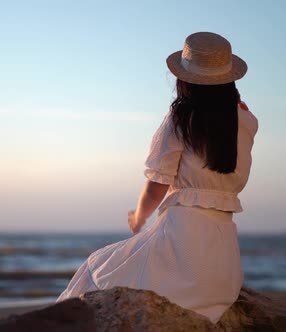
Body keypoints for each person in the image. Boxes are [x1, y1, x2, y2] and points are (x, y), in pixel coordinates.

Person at [56, 32, 259, 324]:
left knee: (96, 267)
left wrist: (139, 216)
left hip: (180, 250)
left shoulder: (182, 119)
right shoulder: (248, 122)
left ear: (184, 79)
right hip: (223, 269)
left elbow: (158, 182)